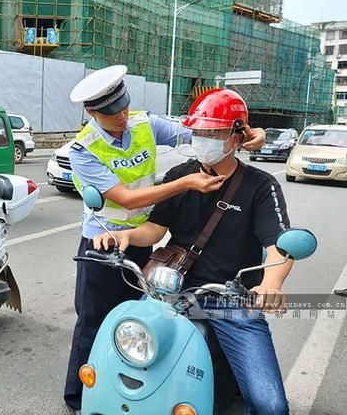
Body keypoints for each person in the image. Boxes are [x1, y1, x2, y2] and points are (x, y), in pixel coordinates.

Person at [63, 65, 267, 414]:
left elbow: (196, 134)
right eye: (112, 113)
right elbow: (125, 198)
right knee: (95, 321)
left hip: (144, 238)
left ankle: (141, 391)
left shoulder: (143, 123)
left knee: (145, 321)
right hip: (104, 243)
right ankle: (81, 396)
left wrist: (247, 134)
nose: (123, 116)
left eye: (124, 106)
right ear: (92, 112)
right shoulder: (83, 149)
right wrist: (185, 184)